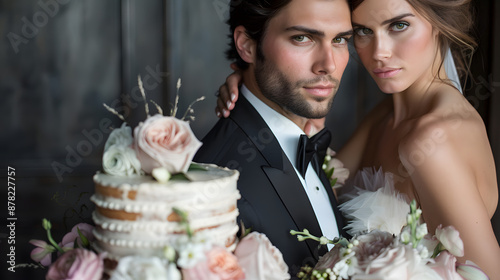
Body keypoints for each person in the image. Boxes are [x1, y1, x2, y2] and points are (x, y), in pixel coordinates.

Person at [215, 0, 500, 278]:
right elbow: (316, 188)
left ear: (439, 24)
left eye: (399, 25)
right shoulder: (386, 114)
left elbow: (486, 274)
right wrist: (258, 88)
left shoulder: (432, 139)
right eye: (363, 31)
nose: (380, 53)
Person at [193, 0, 353, 273]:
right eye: (302, 38)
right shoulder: (216, 188)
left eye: (339, 39)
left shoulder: (307, 133)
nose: (329, 64)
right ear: (247, 45)